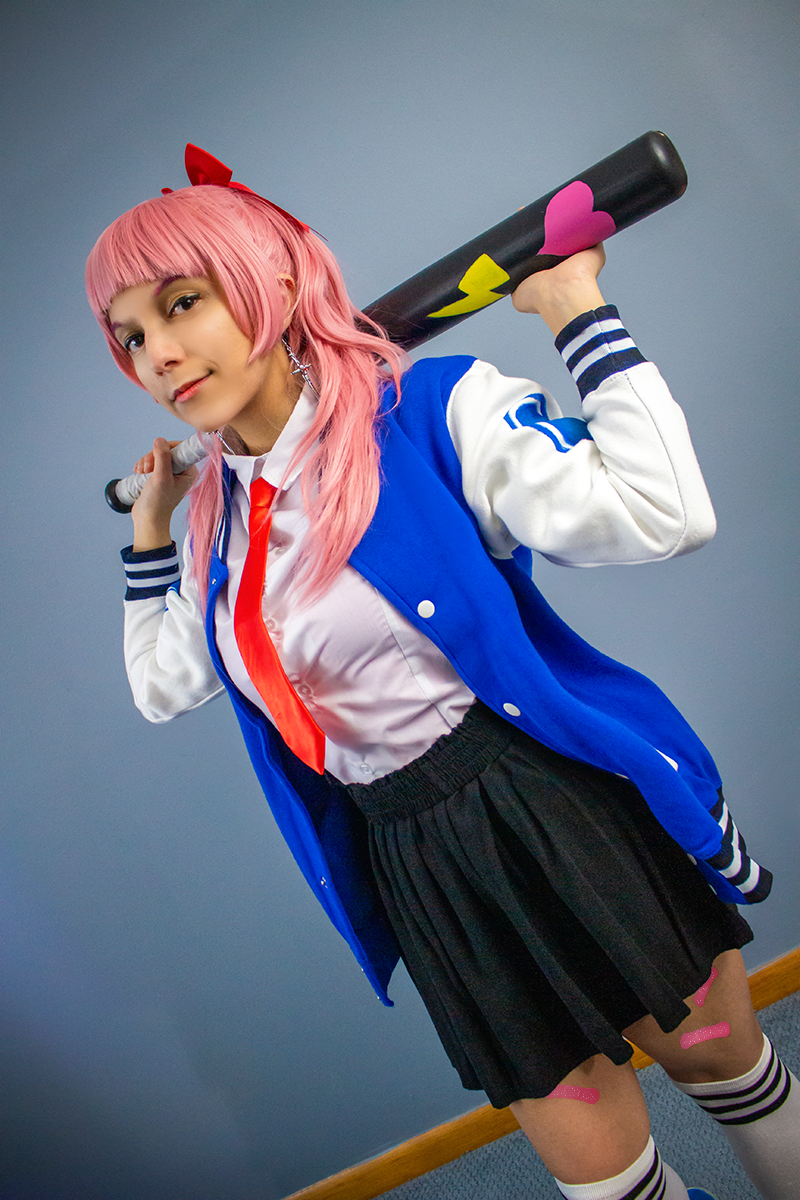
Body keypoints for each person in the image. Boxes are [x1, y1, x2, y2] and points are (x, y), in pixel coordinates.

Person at [86, 147, 797, 1200]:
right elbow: (161, 688)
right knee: (602, 1178)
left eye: (182, 303)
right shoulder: (214, 529)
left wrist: (576, 313)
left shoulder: (427, 411)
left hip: (544, 799)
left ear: (271, 282)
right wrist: (153, 539)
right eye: (132, 334)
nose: (159, 353)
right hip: (417, 858)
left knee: (725, 1070)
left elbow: (663, 513)